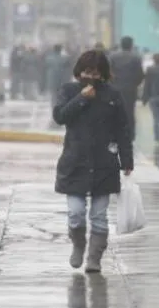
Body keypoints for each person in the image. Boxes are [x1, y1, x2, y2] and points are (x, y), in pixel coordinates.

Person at [53, 50, 134, 273]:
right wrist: (81, 99)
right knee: (76, 213)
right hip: (75, 162)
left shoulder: (112, 96)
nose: (91, 78)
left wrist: (126, 160)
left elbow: (122, 130)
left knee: (99, 216)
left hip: (104, 164)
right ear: (79, 72)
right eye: (87, 72)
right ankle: (78, 245)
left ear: (104, 74)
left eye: (96, 74)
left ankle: (94, 258)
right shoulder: (69, 90)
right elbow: (60, 117)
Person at [109, 36, 144, 141]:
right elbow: (140, 74)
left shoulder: (113, 57)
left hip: (115, 89)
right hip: (130, 89)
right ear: (131, 45)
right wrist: (135, 84)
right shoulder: (136, 58)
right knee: (129, 112)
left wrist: (112, 84)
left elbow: (108, 73)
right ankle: (130, 135)